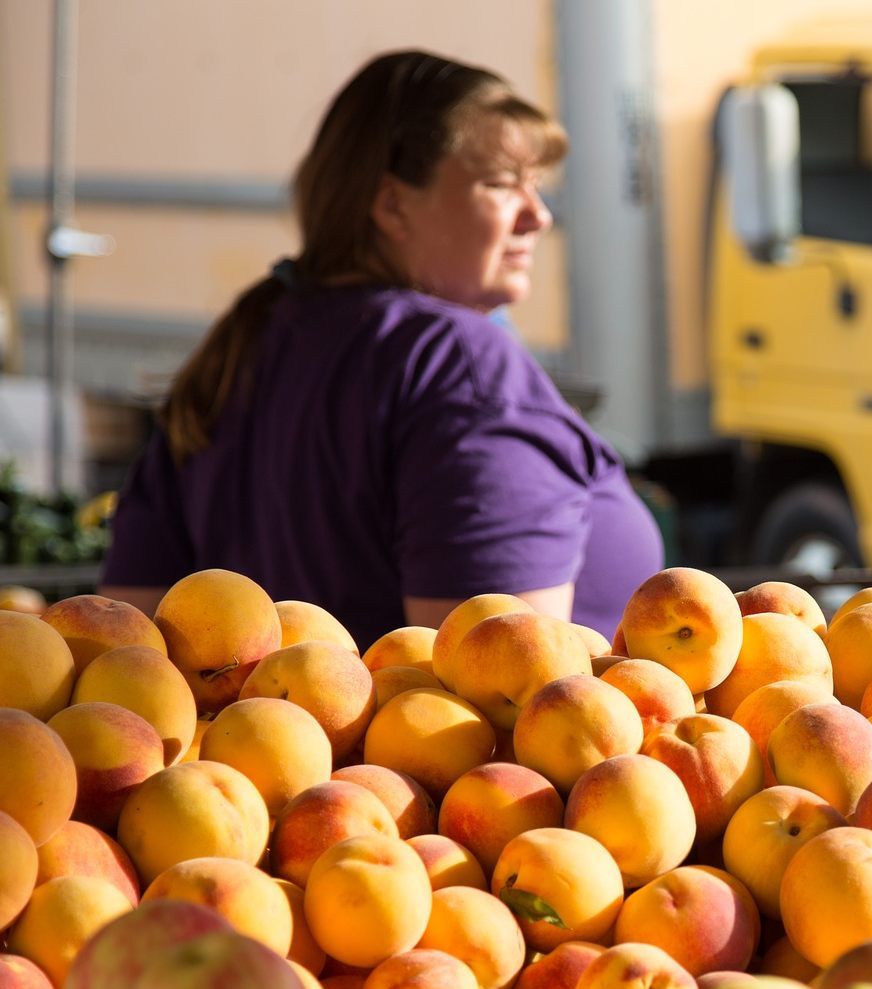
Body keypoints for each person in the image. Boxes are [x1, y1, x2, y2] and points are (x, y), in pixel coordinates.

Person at [100, 50, 664, 647]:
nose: (538, 216)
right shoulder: (457, 363)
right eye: (500, 185)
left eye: (538, 186)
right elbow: (500, 682)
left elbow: (130, 643)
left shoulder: (242, 348)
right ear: (392, 204)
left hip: (268, 739)